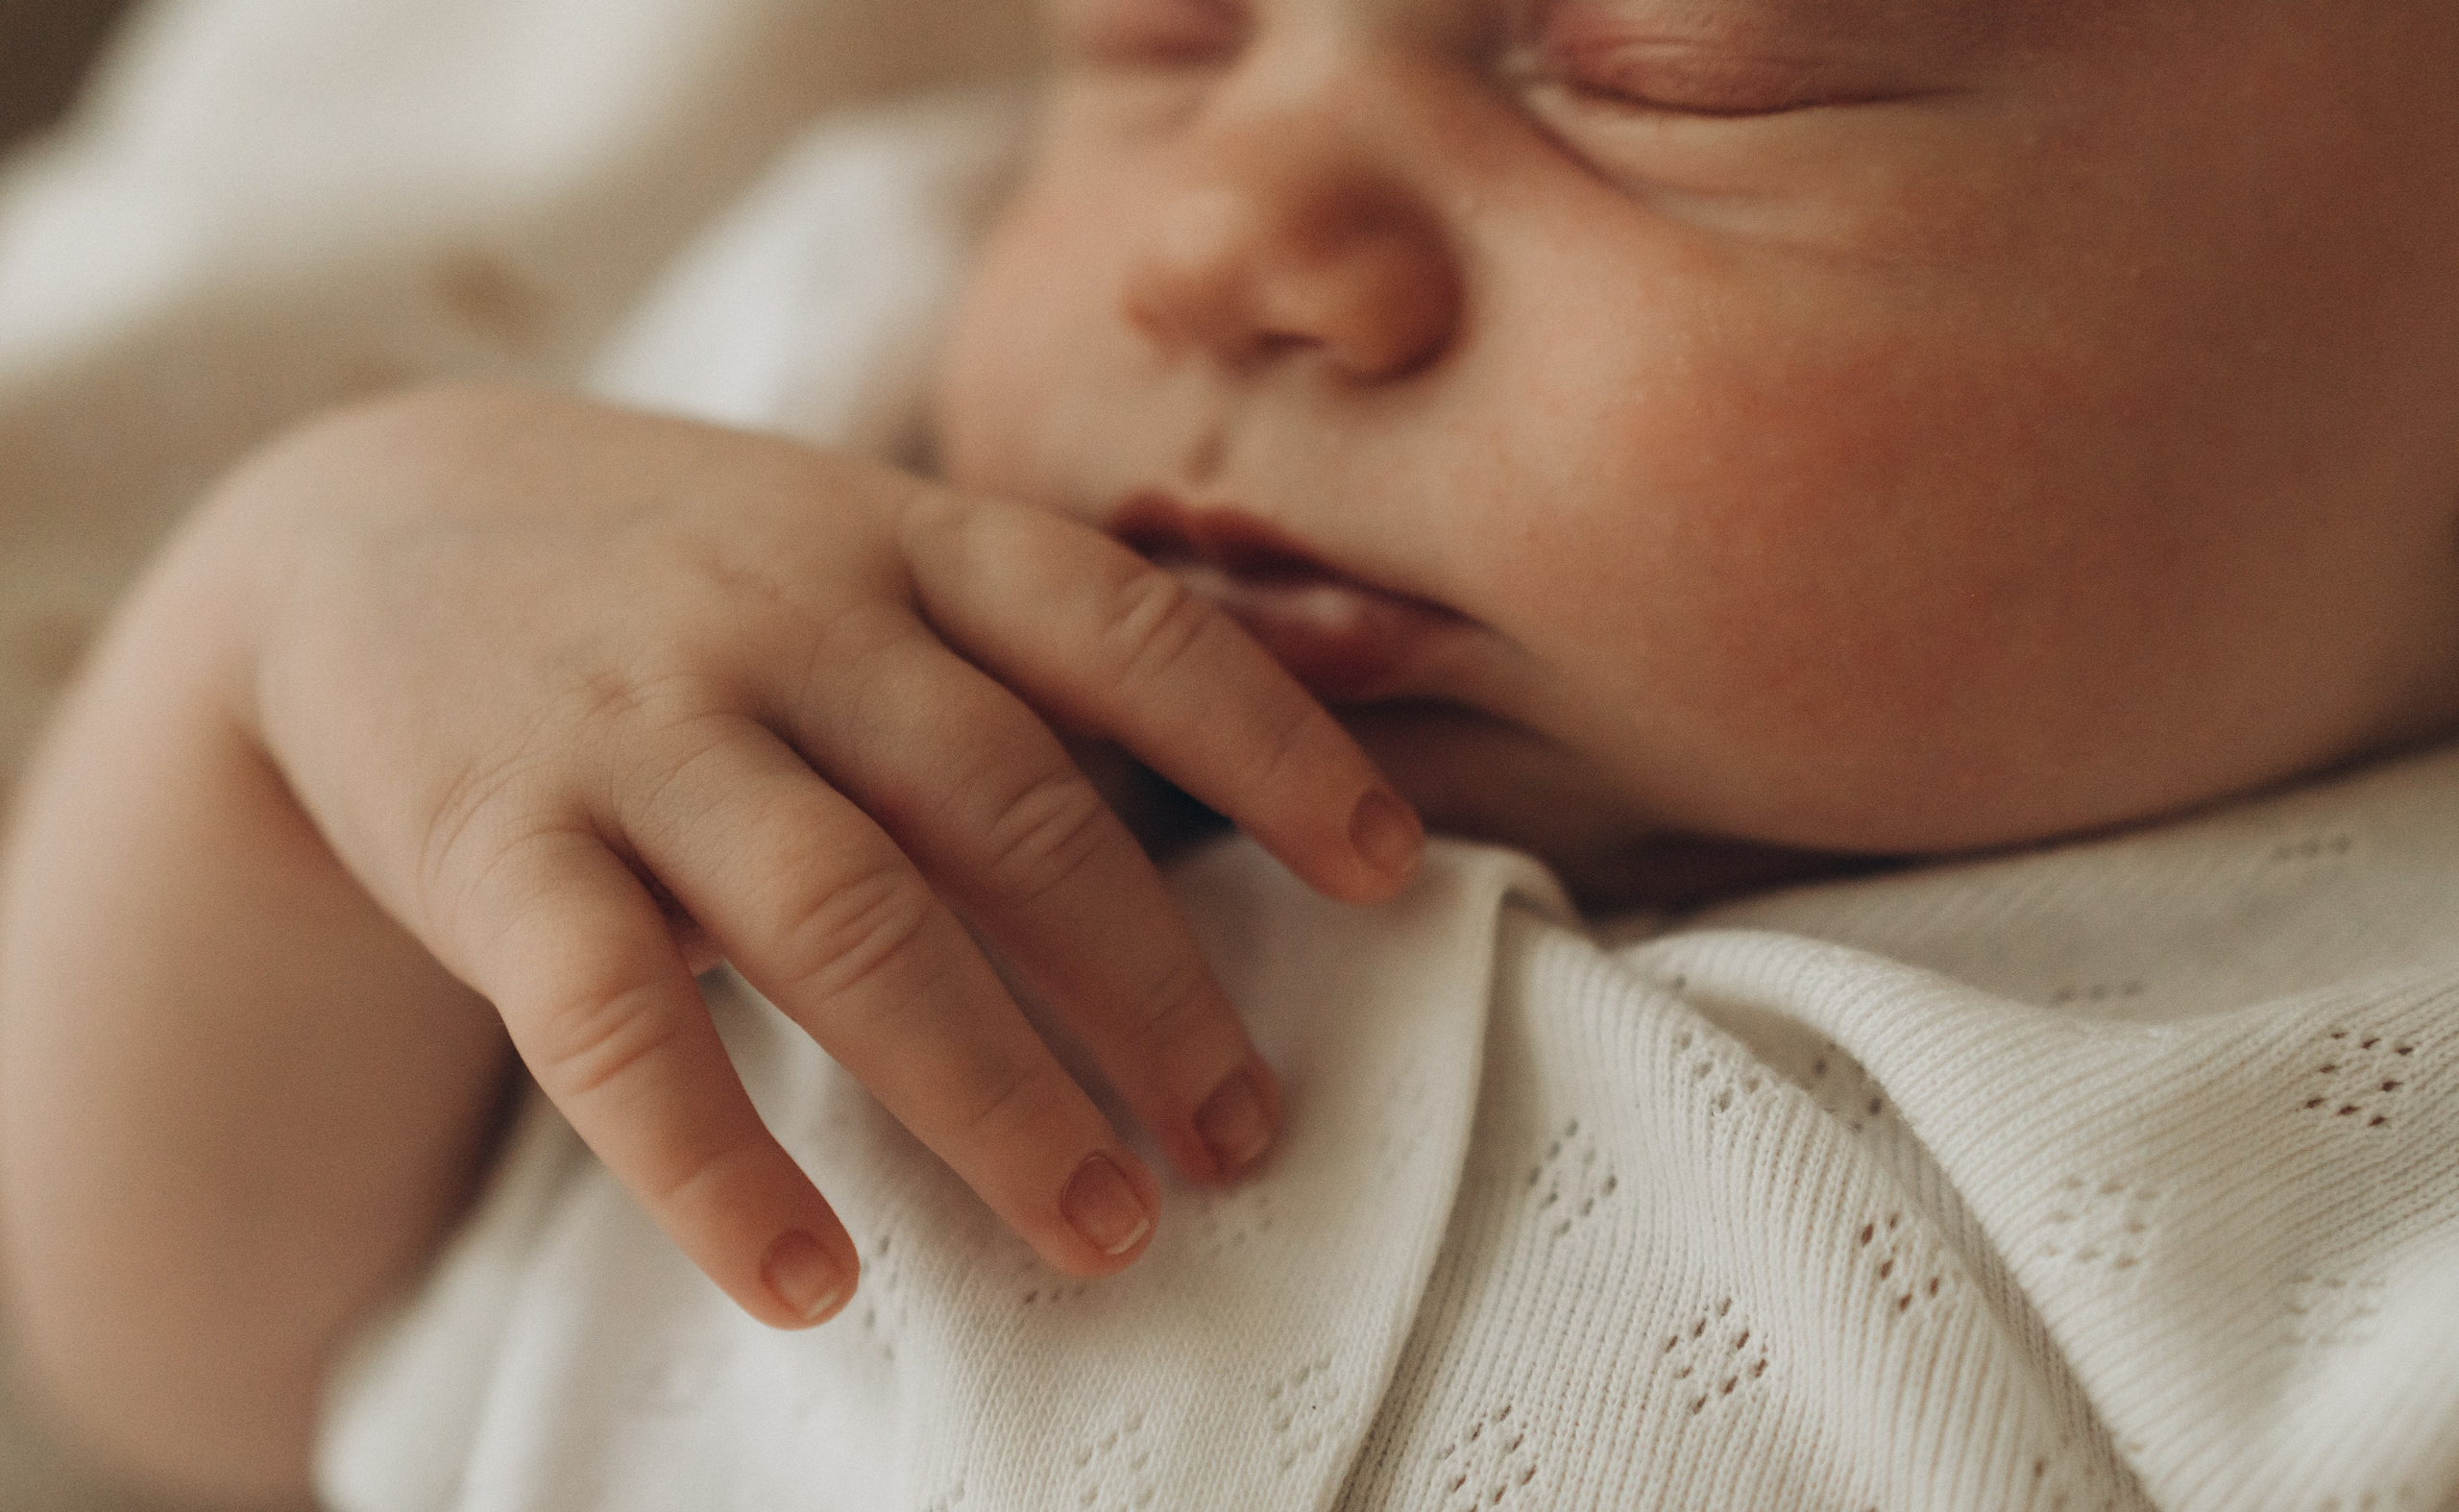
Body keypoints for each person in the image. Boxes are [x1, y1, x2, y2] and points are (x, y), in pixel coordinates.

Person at [5, 0, 2458, 1506]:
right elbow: (178, 1372)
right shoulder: (793, 498)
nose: (1220, 236)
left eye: (1651, 60)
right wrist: (292, 634)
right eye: (1164, 35)